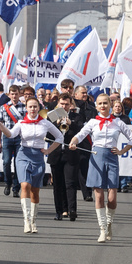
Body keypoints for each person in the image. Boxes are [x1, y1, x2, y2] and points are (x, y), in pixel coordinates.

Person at [67, 93, 132, 243]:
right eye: (99, 104)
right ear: (97, 106)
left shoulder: (118, 122)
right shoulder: (92, 122)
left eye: (105, 103)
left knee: (112, 197)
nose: (102, 106)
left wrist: (121, 151)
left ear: (110, 104)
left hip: (112, 158)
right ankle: (102, 228)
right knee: (99, 195)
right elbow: (80, 135)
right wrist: (73, 142)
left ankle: (109, 222)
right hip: (96, 157)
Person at [0, 96, 62, 233]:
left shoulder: (45, 123)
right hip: (23, 155)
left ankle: (33, 221)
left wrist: (48, 150)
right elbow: (11, 135)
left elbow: (60, 137)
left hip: (38, 157)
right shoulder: (21, 123)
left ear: (39, 108)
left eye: (35, 106)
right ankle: (26, 221)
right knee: (25, 185)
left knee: (35, 191)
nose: (33, 109)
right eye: (30, 107)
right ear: (27, 108)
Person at [48, 94, 86, 222]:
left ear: (71, 105)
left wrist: (72, 123)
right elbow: (47, 134)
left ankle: (72, 210)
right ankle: (60, 211)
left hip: (71, 154)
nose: (64, 106)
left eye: (66, 104)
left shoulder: (77, 116)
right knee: (58, 184)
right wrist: (56, 124)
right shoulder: (52, 116)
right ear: (58, 104)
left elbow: (82, 132)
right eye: (62, 104)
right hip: (56, 154)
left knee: (70, 183)